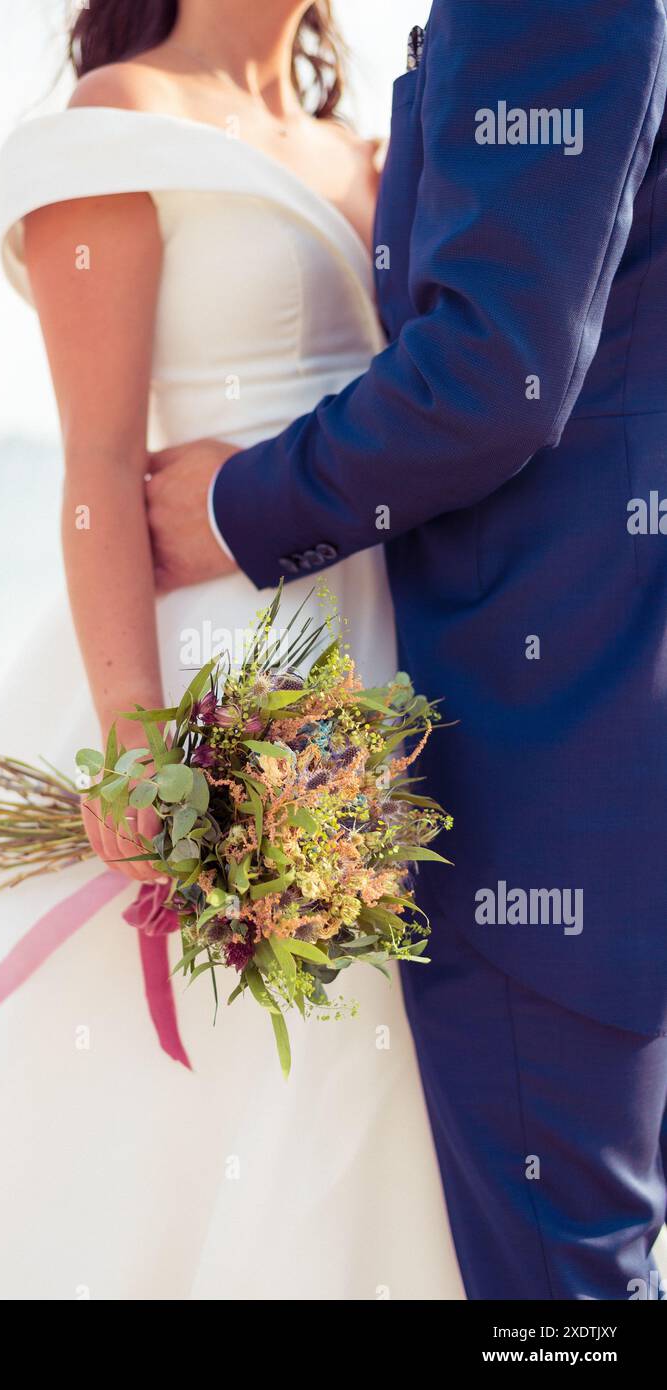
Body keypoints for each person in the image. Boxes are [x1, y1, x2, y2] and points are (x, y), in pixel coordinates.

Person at [0, 1, 463, 1299]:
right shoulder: (118, 123)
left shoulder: (370, 145)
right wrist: (140, 752)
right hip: (218, 670)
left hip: (393, 664)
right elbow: (100, 461)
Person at [147, 0, 667, 1299]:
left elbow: (499, 373)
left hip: (560, 732)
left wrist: (236, 506)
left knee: (567, 1284)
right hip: (612, 700)